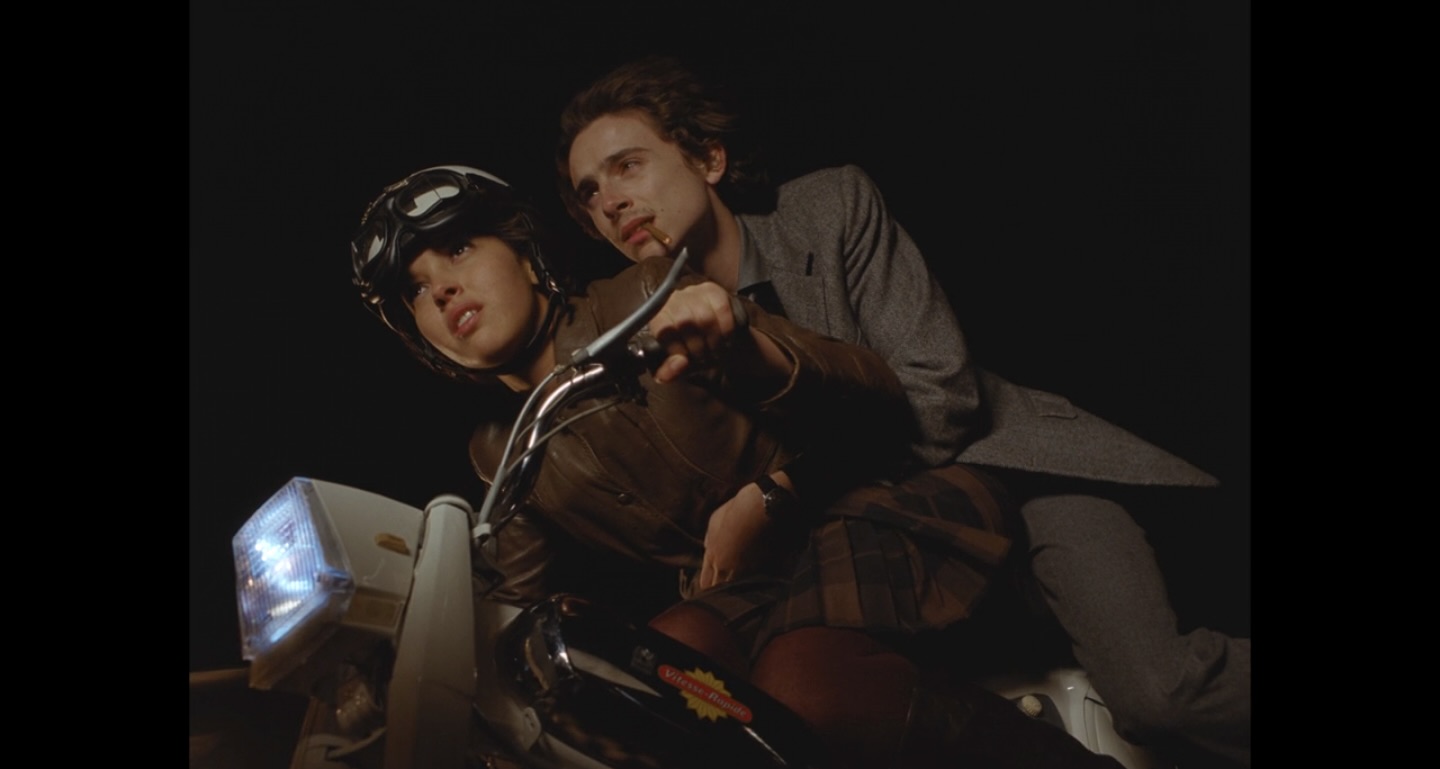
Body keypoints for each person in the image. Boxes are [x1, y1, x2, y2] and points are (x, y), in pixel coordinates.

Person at [554, 55, 1251, 768]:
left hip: (1014, 476)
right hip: (872, 550)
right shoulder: (647, 331)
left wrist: (779, 492)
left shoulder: (828, 208)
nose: (610, 202)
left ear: (709, 158)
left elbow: (941, 398)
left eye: (627, 166)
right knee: (784, 693)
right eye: (589, 192)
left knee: (1159, 694)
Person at [350, 163, 1129, 769]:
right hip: (748, 589)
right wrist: (381, 656)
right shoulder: (500, 446)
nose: (441, 286)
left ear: (523, 254)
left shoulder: (647, 291)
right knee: (648, 669)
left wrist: (745, 343)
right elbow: (509, 598)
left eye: (458, 248)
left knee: (808, 687)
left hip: (865, 508)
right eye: (414, 290)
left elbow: (877, 395)